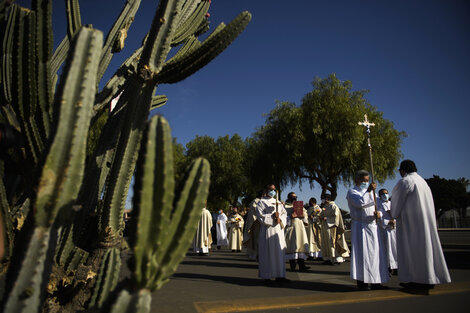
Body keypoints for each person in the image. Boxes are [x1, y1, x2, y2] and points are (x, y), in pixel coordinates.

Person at [391, 160, 451, 293]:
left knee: (413, 251)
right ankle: (427, 279)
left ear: (403, 170)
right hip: (425, 222)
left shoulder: (405, 181)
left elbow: (396, 202)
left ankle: (419, 281)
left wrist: (392, 213)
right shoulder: (423, 182)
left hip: (411, 224)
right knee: (425, 250)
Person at [346, 170, 389, 290]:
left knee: (375, 255)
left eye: (367, 180)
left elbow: (378, 207)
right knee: (362, 254)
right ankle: (362, 281)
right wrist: (369, 190)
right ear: (357, 180)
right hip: (360, 227)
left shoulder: (373, 193)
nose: (366, 183)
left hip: (373, 227)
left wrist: (378, 214)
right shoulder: (352, 192)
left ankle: (376, 281)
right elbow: (360, 203)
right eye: (363, 181)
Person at [255, 184, 288, 283]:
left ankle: (280, 276)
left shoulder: (277, 202)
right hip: (268, 230)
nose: (272, 192)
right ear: (266, 190)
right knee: (268, 253)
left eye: (274, 190)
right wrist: (272, 216)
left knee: (279, 252)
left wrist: (280, 219)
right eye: (271, 190)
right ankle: (267, 276)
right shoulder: (261, 202)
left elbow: (284, 214)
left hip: (278, 231)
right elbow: (260, 216)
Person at [319, 194, 350, 265]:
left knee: (332, 242)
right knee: (325, 242)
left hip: (332, 227)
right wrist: (320, 217)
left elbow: (336, 217)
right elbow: (322, 214)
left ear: (327, 199)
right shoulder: (324, 207)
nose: (322, 200)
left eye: (323, 199)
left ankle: (335, 258)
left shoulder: (334, 206)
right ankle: (327, 258)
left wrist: (327, 219)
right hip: (325, 227)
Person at [284, 192, 310, 272]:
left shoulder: (299, 206)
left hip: (299, 228)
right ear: (288, 198)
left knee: (300, 246)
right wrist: (290, 217)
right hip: (291, 228)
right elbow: (282, 218)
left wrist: (303, 216)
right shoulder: (284, 206)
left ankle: (302, 266)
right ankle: (292, 266)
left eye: (295, 197)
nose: (294, 199)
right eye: (292, 197)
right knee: (292, 247)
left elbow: (305, 216)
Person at [377, 188, 398, 275]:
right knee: (387, 249)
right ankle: (388, 267)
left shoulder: (392, 204)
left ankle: (396, 267)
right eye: (383, 194)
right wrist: (387, 222)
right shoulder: (378, 204)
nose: (385, 195)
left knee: (395, 249)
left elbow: (397, 214)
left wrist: (394, 221)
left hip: (394, 230)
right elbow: (379, 217)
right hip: (385, 230)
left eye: (386, 193)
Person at [243, 190, 263, 260]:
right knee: (257, 240)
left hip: (264, 224)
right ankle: (257, 254)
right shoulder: (256, 201)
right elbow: (254, 213)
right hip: (257, 224)